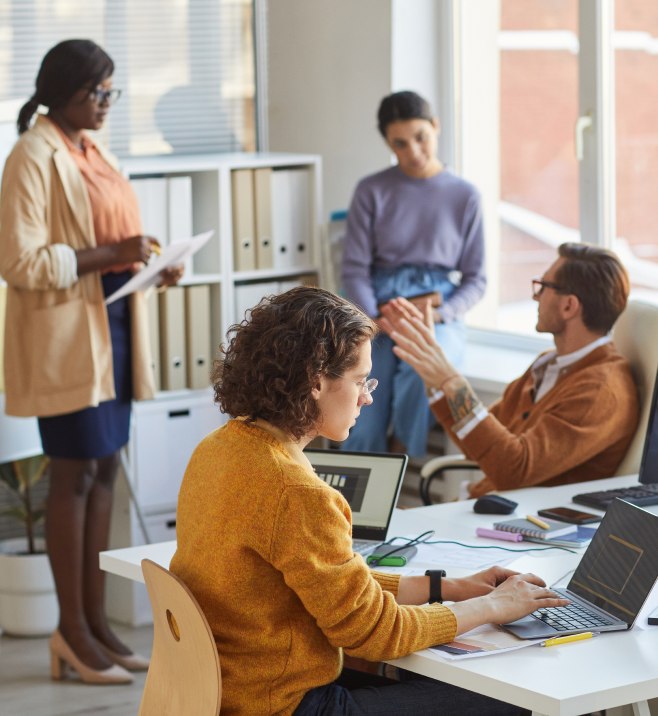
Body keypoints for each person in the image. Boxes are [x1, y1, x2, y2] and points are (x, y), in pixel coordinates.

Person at [170, 286, 568, 716]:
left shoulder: (217, 448)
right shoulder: (296, 492)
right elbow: (377, 633)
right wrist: (493, 605)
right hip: (285, 706)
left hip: (226, 692)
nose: (368, 397)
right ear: (317, 381)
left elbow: (332, 589)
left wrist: (447, 587)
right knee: (513, 696)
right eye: (361, 381)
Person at [0, 40, 183, 684]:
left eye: (112, 92)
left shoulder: (91, 146)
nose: (106, 104)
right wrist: (113, 255)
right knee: (74, 473)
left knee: (106, 469)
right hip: (68, 334)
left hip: (115, 322)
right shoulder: (31, 154)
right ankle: (71, 632)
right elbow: (19, 262)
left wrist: (149, 261)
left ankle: (99, 625)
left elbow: (110, 238)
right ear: (62, 93)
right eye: (96, 93)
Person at [380, 243, 639, 499]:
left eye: (543, 287)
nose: (535, 296)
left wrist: (451, 381)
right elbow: (477, 446)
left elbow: (514, 470)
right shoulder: (548, 365)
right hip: (483, 510)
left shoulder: (600, 391)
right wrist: (433, 377)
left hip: (522, 527)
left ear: (569, 306)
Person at [341, 91, 485, 457]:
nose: (414, 151)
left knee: (420, 376)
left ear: (436, 127)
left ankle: (398, 461)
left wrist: (438, 315)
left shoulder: (465, 195)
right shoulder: (371, 190)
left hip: (436, 306)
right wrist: (373, 319)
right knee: (354, 384)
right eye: (400, 144)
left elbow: (476, 279)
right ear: (388, 144)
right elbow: (355, 268)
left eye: (421, 137)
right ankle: (359, 487)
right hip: (377, 304)